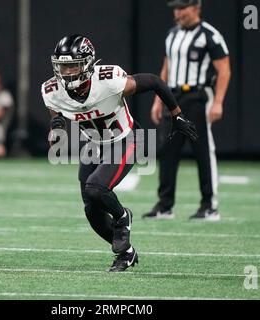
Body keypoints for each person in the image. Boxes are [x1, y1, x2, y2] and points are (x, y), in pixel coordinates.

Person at [41, 34, 198, 272]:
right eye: (63, 66)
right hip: (93, 145)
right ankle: (126, 254)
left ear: (87, 62)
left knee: (96, 188)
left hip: (128, 139)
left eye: (73, 65)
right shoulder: (52, 90)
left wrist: (176, 114)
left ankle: (123, 216)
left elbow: (154, 81)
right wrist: (57, 128)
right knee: (91, 209)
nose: (67, 71)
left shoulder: (110, 81)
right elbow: (58, 113)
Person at [142, 0, 231, 221]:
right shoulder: (172, 34)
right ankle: (165, 205)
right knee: (167, 152)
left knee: (202, 151)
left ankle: (209, 205)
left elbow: (224, 70)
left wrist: (218, 101)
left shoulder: (209, 35)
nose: (178, 13)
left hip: (197, 97)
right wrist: (157, 100)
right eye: (175, 8)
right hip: (173, 97)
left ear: (196, 7)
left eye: (182, 8)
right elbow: (166, 67)